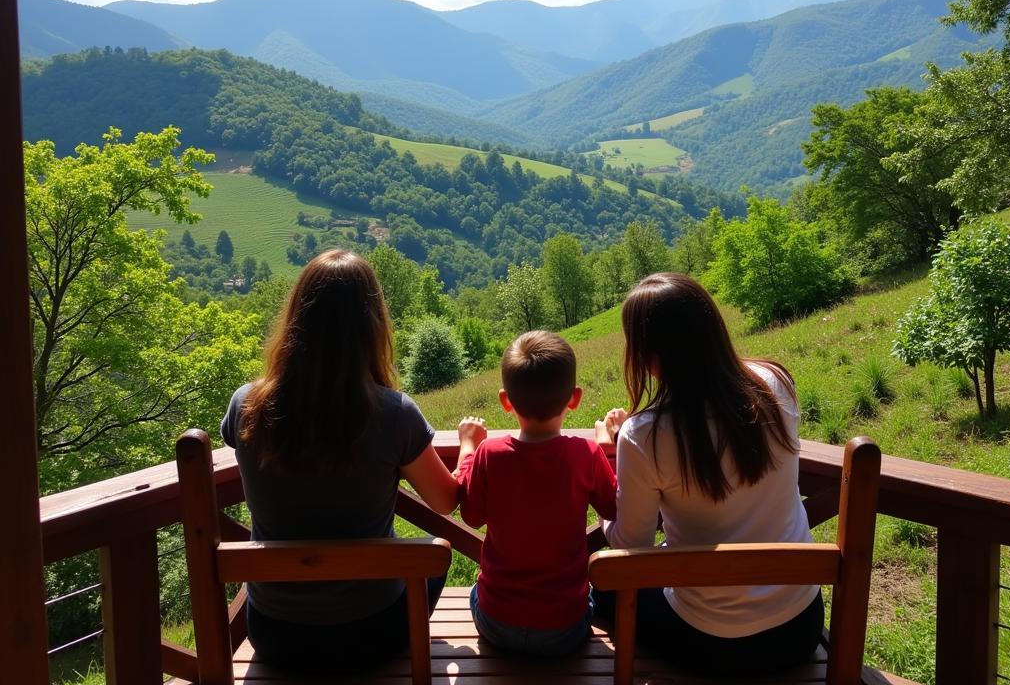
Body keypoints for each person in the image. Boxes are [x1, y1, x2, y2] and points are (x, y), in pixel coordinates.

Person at [220, 249, 468, 671]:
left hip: (276, 635)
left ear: (297, 319)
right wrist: (467, 446)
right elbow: (446, 502)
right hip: (372, 634)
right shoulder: (395, 413)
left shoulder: (246, 405)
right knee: (431, 562)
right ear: (372, 327)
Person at [596, 272, 823, 675]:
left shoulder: (643, 435)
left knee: (603, 588)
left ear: (649, 356)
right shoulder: (775, 383)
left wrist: (610, 459)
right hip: (799, 626)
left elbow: (632, 547)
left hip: (711, 641)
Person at [456, 331, 618, 656]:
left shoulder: (490, 453)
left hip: (496, 623)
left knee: (477, 588)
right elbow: (613, 508)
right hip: (565, 628)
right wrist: (607, 444)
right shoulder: (585, 453)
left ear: (506, 401)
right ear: (575, 398)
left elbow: (471, 517)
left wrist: (468, 446)